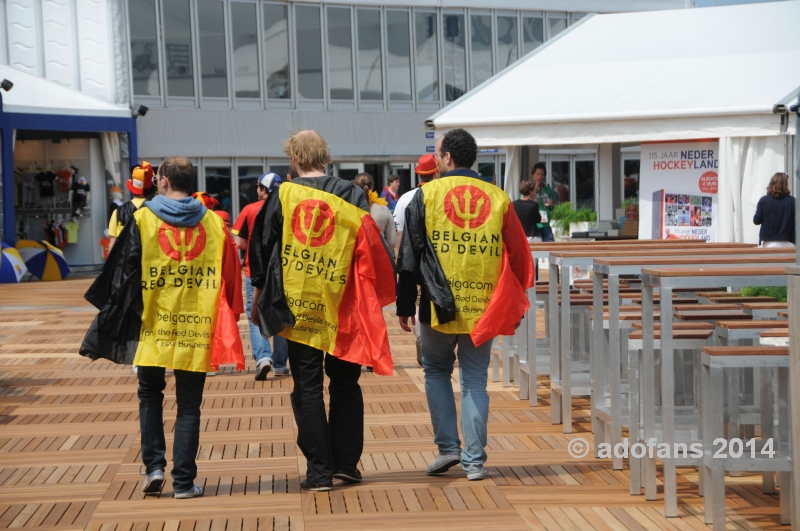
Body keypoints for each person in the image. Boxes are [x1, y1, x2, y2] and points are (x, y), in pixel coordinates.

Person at [80, 156, 245, 499]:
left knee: (149, 395)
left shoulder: (142, 220)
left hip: (152, 324)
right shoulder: (215, 224)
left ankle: (154, 466)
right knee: (188, 406)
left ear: (163, 181)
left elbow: (119, 275)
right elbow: (231, 275)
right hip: (196, 326)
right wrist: (234, 315)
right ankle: (184, 483)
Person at [249, 130, 395, 491]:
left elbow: (263, 251)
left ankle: (319, 472)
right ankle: (346, 464)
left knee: (308, 386)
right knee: (346, 383)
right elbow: (370, 247)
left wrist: (257, 299)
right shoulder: (353, 193)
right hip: (344, 302)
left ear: (293, 159)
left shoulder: (283, 195)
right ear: (325, 157)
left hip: (300, 306)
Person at [396, 129, 534, 481]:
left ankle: (447, 449)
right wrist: (513, 297)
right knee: (474, 382)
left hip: (435, 306)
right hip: (483, 309)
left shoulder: (425, 194)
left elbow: (409, 255)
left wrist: (403, 305)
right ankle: (474, 462)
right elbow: (519, 256)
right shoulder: (499, 198)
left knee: (436, 371)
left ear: (446, 158)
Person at [232, 173, 290, 380]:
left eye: (258, 186)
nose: (256, 190)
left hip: (253, 270)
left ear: (263, 189)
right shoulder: (286, 207)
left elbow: (238, 242)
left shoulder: (249, 209)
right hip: (280, 271)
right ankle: (281, 364)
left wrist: (256, 250)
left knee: (254, 315)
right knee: (281, 313)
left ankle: (263, 358)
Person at [393, 153, 438, 367]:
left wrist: (401, 261)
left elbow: (400, 235)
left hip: (413, 257)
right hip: (438, 258)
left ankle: (421, 337)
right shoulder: (441, 195)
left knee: (419, 300)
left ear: (417, 173)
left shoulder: (405, 198)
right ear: (436, 172)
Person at [108, 162, 154, 248]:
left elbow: (112, 246)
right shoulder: (158, 209)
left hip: (125, 260)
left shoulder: (118, 212)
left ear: (132, 188)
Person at [354, 172, 397, 260]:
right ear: (372, 187)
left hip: (356, 261)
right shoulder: (382, 209)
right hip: (378, 259)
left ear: (354, 186)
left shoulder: (346, 207)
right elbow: (392, 242)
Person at [754, 172, 795, 247]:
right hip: (788, 242)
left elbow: (756, 220)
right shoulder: (793, 201)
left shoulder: (763, 200)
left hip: (769, 242)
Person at [531, 162, 556, 242]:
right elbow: (526, 201)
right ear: (533, 174)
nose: (540, 177)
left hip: (545, 223)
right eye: (538, 174)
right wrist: (535, 188)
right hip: (534, 225)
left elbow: (552, 207)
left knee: (550, 246)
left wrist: (551, 205)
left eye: (542, 174)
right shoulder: (528, 187)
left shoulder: (547, 187)